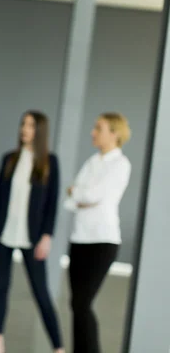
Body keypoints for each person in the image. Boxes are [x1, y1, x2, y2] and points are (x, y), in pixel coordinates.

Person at [0, 111, 64, 353]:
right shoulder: (9, 159)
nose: (24, 129)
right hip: (3, 234)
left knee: (41, 293)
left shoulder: (50, 162)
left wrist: (47, 237)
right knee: (1, 288)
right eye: (23, 124)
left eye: (30, 125)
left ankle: (58, 347)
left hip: (33, 237)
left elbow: (52, 204)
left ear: (40, 130)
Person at [64, 113, 131, 353]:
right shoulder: (92, 162)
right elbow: (72, 199)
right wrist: (80, 194)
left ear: (114, 133)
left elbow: (90, 195)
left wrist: (78, 192)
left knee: (83, 303)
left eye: (98, 128)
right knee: (76, 304)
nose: (93, 132)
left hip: (103, 242)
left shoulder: (121, 164)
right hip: (79, 239)